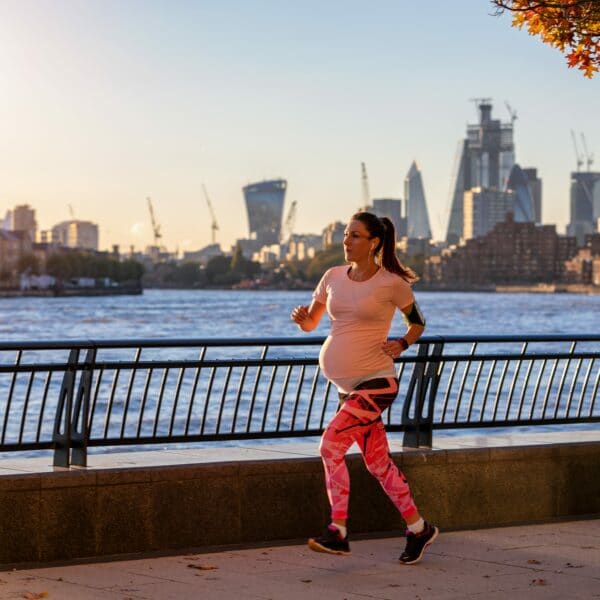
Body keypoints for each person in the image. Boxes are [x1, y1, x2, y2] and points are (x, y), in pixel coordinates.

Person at [290, 211, 438, 565]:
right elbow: (313, 322)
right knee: (378, 465)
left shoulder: (392, 283)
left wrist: (402, 344)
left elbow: (417, 322)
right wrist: (302, 320)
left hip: (376, 383)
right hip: (347, 388)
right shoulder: (332, 277)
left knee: (330, 446)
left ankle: (338, 531)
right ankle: (419, 529)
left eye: (355, 235)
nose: (346, 241)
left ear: (374, 242)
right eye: (345, 234)